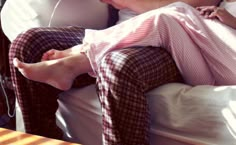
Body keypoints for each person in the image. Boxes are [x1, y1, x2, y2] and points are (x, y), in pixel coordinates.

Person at [10, 0, 226, 145]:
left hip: (172, 42)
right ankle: (41, 139)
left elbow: (197, 6)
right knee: (28, 44)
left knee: (117, 65)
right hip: (117, 31)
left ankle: (80, 56)